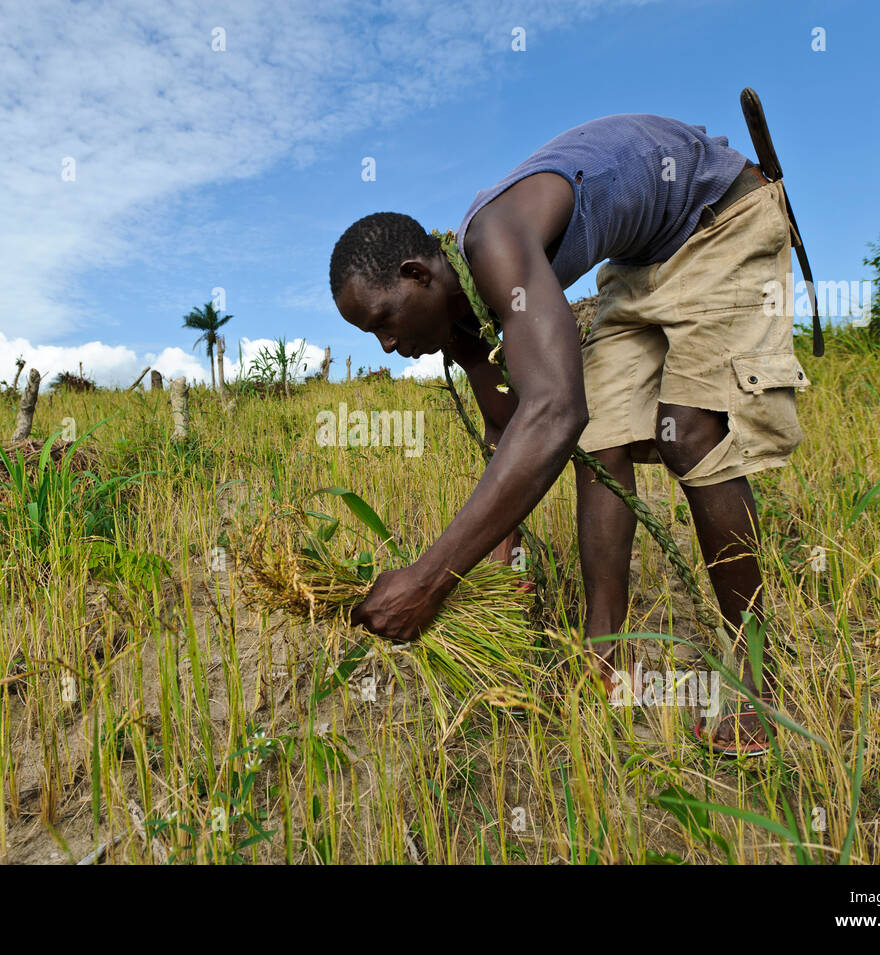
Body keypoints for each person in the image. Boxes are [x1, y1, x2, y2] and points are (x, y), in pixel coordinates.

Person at [328, 113, 810, 755]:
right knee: (601, 440)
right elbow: (510, 432)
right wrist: (498, 557)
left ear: (418, 274)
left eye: (384, 320)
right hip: (640, 266)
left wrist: (430, 578)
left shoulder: (496, 240)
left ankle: (756, 679)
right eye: (373, 337)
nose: (388, 345)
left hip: (719, 221)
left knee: (689, 434)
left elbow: (554, 411)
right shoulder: (461, 318)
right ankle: (605, 652)